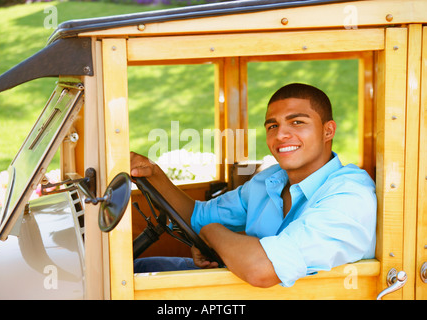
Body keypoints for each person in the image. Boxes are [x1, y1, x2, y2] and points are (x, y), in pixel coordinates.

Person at [131, 83, 376, 288]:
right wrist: (153, 173)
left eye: (297, 122)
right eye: (273, 126)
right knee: (139, 269)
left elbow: (262, 268)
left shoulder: (350, 195)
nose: (281, 135)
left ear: (327, 131)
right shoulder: (268, 180)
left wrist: (212, 234)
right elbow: (197, 216)